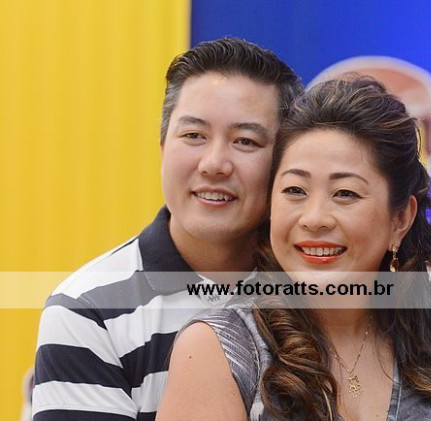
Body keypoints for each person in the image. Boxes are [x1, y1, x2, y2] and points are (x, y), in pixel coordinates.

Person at [157, 78, 431, 420]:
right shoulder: (220, 348)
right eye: (295, 190)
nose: (315, 219)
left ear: (400, 219)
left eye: (345, 193)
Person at [32, 38, 303, 421]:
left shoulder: (318, 288)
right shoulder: (88, 310)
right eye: (194, 136)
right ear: (162, 146)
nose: (214, 164)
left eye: (245, 141)